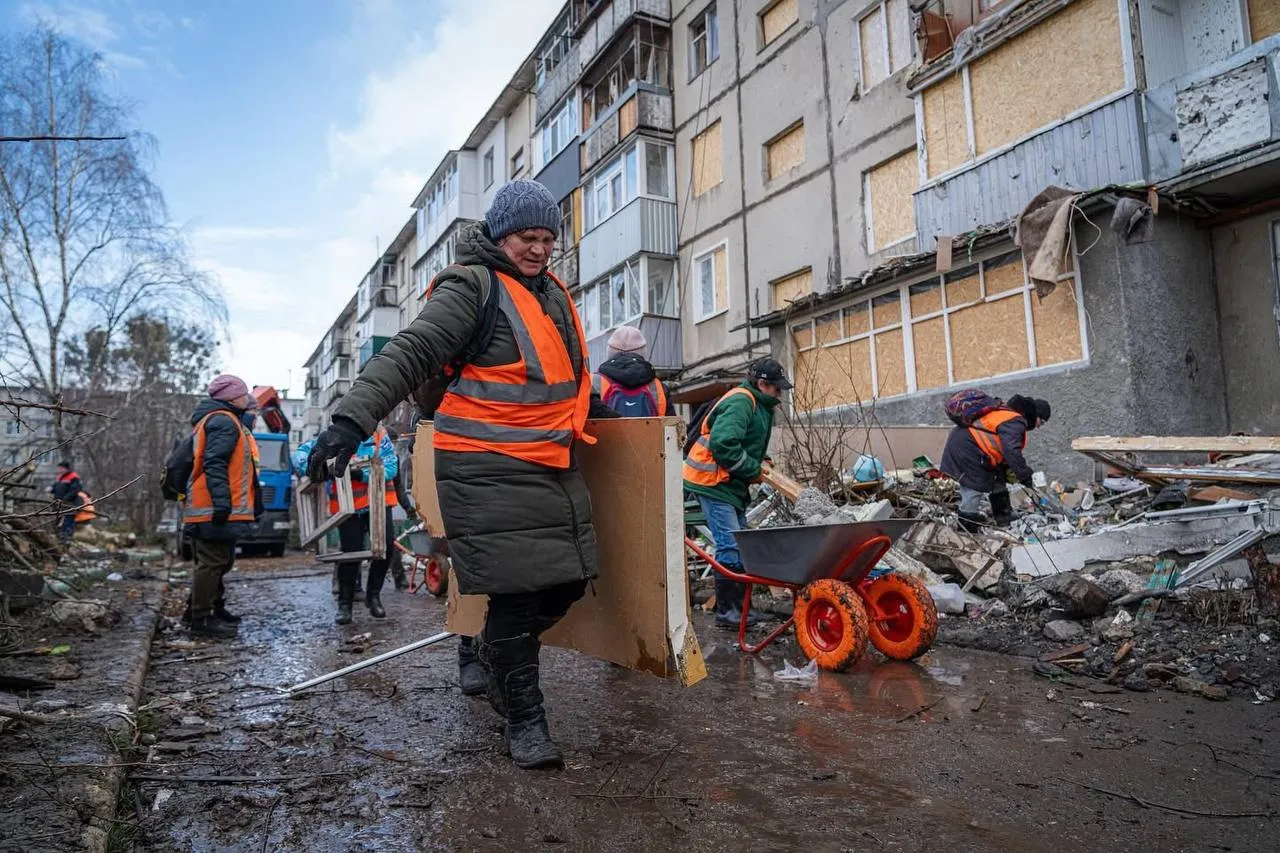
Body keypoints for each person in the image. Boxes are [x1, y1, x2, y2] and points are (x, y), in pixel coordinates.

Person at [305, 179, 618, 770]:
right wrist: (350, 419)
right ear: (502, 234)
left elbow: (564, 378)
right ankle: (526, 720)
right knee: (519, 594)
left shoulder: (550, 293)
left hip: (550, 463)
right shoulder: (471, 286)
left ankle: (489, 651)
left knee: (568, 583)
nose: (541, 249)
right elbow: (409, 351)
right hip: (482, 464)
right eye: (529, 237)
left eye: (549, 238)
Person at [683, 358, 790, 628]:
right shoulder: (742, 402)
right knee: (730, 544)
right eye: (776, 388)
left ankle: (743, 610)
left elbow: (742, 442)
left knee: (741, 544)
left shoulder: (758, 404)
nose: (779, 394)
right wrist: (753, 469)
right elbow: (724, 444)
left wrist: (760, 460)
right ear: (762, 383)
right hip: (711, 480)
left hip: (727, 482)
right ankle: (728, 612)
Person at [293, 423, 399, 624]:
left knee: (386, 549)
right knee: (350, 553)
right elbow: (300, 454)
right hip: (347, 508)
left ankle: (373, 596)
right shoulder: (335, 436)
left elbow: (392, 466)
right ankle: (345, 604)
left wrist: (363, 474)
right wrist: (315, 468)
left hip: (378, 503)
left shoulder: (379, 437)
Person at [183, 374, 263, 638]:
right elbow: (214, 463)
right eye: (242, 394)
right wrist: (221, 504)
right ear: (231, 398)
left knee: (220, 561)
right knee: (212, 562)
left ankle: (210, 609)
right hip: (213, 507)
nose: (247, 398)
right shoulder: (223, 421)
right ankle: (200, 619)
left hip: (212, 506)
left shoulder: (220, 420)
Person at [940, 393, 1050, 529]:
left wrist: (1008, 469)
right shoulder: (1015, 420)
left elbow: (1000, 446)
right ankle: (967, 525)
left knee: (998, 476)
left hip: (968, 444)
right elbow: (1011, 450)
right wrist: (1024, 474)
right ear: (1035, 415)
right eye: (1042, 422)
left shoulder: (1007, 414)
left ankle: (1003, 515)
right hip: (968, 449)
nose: (1039, 426)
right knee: (974, 487)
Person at [593, 326, 674, 417]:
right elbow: (671, 428)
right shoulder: (659, 388)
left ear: (610, 351)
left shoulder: (593, 383)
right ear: (642, 352)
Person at [50, 461, 84, 543]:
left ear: (66, 468)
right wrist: (52, 490)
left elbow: (75, 490)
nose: (59, 470)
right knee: (57, 521)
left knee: (68, 521)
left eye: (61, 468)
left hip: (70, 503)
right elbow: (56, 488)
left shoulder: (73, 477)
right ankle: (59, 537)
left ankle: (67, 538)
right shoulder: (60, 477)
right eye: (58, 468)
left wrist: (65, 499)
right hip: (59, 503)